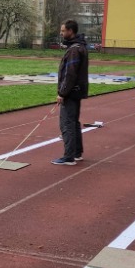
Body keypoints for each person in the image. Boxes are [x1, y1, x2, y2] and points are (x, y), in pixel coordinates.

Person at [51, 19, 89, 166]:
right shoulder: (79, 47)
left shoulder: (74, 50)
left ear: (70, 31)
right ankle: (77, 153)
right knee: (74, 122)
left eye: (63, 31)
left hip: (71, 92)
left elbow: (70, 74)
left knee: (67, 123)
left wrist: (62, 93)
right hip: (77, 91)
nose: (61, 33)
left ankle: (69, 157)